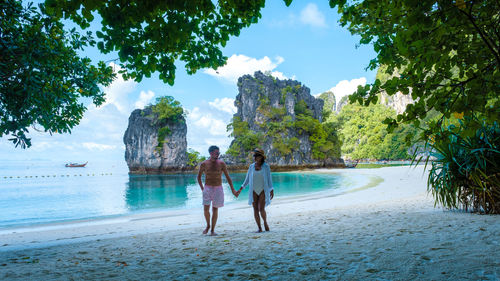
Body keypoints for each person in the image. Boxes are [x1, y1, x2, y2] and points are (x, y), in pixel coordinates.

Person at [197, 145, 237, 236]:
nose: (218, 154)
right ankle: (208, 225)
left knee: (215, 209)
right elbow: (198, 177)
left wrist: (233, 190)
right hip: (207, 188)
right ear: (211, 153)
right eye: (216, 153)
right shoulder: (204, 163)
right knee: (206, 209)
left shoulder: (221, 163)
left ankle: (212, 230)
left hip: (218, 188)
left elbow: (228, 177)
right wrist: (202, 189)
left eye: (219, 153)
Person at [236, 148, 274, 232]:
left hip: (263, 190)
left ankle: (265, 222)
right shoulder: (251, 166)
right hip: (253, 190)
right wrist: (241, 189)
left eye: (257, 155)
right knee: (255, 209)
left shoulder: (266, 167)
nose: (255, 157)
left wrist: (271, 189)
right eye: (254, 155)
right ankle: (259, 228)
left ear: (261, 157)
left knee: (261, 209)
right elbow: (247, 179)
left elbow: (269, 179)